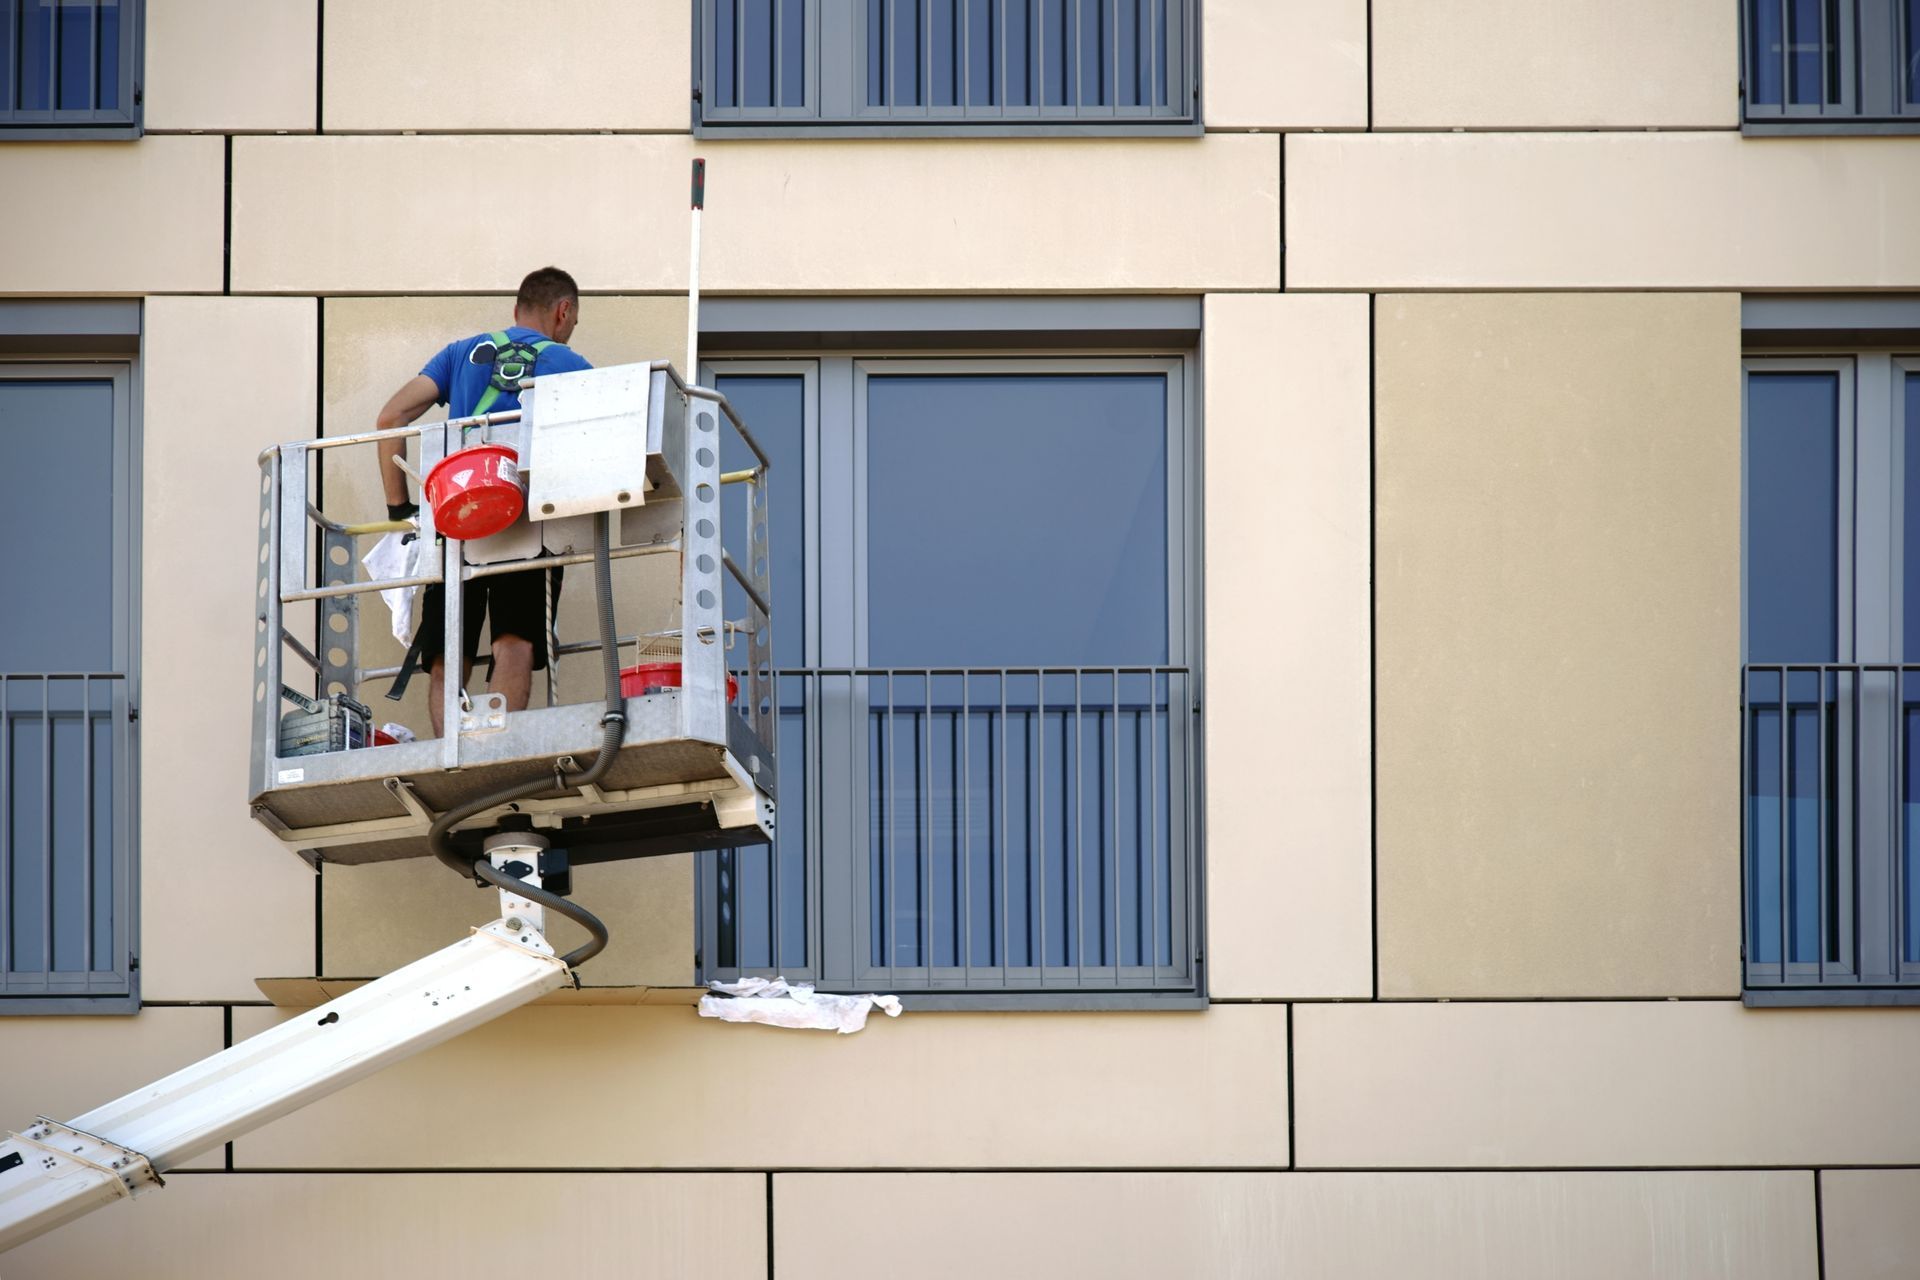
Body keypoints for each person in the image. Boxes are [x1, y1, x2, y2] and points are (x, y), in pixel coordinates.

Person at [374, 266, 593, 736]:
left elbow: (390, 416)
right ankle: (495, 747)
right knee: (514, 641)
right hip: (528, 521)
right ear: (564, 310)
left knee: (447, 652)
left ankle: (451, 750)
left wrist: (401, 512)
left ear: (516, 311)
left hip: (456, 517)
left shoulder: (460, 354)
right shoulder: (570, 365)